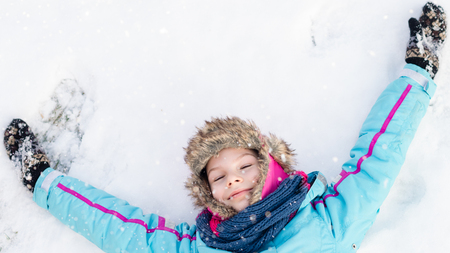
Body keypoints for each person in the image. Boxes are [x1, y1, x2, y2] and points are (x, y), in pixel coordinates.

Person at [2, 2, 447, 252]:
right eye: (217, 176)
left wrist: (418, 69)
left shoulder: (328, 220)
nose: (232, 179)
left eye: (244, 166)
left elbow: (380, 152)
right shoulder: (201, 248)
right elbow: (118, 227)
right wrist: (42, 180)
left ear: (270, 164)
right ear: (207, 194)